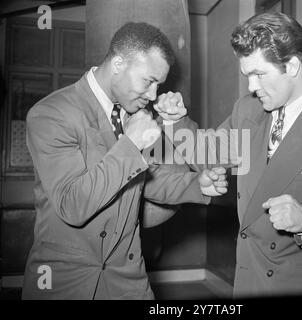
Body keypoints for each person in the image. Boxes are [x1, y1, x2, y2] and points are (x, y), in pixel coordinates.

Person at [159, 12, 302, 297]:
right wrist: (175, 121)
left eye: (259, 74)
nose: (252, 86)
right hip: (248, 278)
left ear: (291, 65)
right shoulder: (248, 109)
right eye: (247, 75)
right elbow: (211, 154)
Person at [22, 22, 228, 300]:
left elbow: (143, 181)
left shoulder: (128, 115)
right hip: (65, 282)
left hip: (128, 279)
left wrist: (197, 185)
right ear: (118, 63)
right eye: (148, 81)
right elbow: (72, 204)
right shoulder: (51, 113)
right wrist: (131, 144)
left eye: (159, 85)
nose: (153, 95)